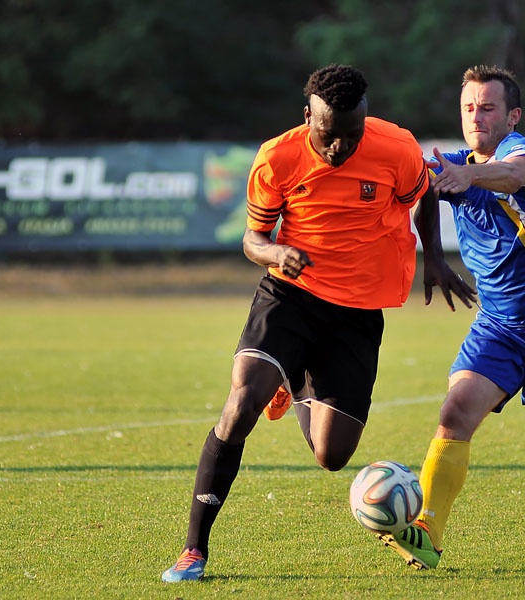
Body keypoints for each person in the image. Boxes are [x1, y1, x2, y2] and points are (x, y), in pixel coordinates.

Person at [161, 64, 473, 582]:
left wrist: (436, 259)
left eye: (353, 135)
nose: (340, 148)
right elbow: (251, 240)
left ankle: (291, 377)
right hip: (291, 293)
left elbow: (424, 196)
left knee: (332, 456)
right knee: (241, 404)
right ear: (308, 117)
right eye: (329, 136)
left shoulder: (394, 147)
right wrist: (275, 252)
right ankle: (194, 549)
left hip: (356, 313)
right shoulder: (277, 157)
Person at [377, 64, 525, 570]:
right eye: (469, 108)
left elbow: (515, 175)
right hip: (500, 328)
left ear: (513, 116)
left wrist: (467, 175)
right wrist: (434, 258)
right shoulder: (454, 164)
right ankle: (428, 529)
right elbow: (424, 194)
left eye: (487, 108)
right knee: (455, 414)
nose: (476, 117)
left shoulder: (521, 153)